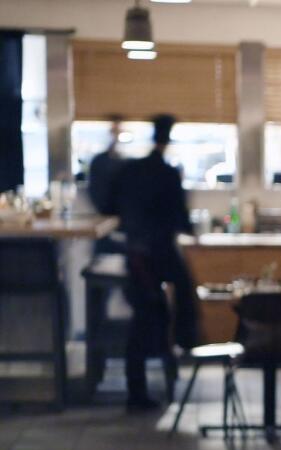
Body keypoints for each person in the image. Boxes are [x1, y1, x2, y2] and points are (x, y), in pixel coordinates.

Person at [113, 113, 198, 411]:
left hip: (136, 252)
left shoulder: (131, 170)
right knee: (167, 309)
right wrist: (191, 231)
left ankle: (141, 387)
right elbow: (179, 216)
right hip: (156, 254)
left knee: (145, 317)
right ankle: (182, 352)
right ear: (169, 136)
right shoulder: (168, 173)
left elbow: (111, 206)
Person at [87, 114, 125, 216]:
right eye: (115, 131)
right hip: (105, 211)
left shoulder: (124, 161)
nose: (116, 136)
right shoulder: (99, 161)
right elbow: (95, 189)